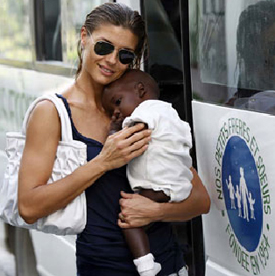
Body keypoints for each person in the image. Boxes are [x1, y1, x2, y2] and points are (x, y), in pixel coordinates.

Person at [17, 3, 210, 276]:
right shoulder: (52, 112)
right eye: (104, 47)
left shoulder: (144, 110)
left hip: (167, 266)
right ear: (84, 37)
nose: (111, 60)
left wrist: (155, 211)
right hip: (102, 268)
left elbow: (200, 201)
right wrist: (103, 162)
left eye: (125, 55)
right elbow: (28, 207)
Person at [102, 68, 194, 276]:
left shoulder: (145, 112)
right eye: (111, 112)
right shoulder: (169, 112)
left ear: (140, 91)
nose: (115, 113)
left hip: (156, 185)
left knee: (129, 220)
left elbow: (125, 143)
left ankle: (146, 267)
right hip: (177, 185)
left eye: (117, 102)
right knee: (146, 223)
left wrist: (113, 131)